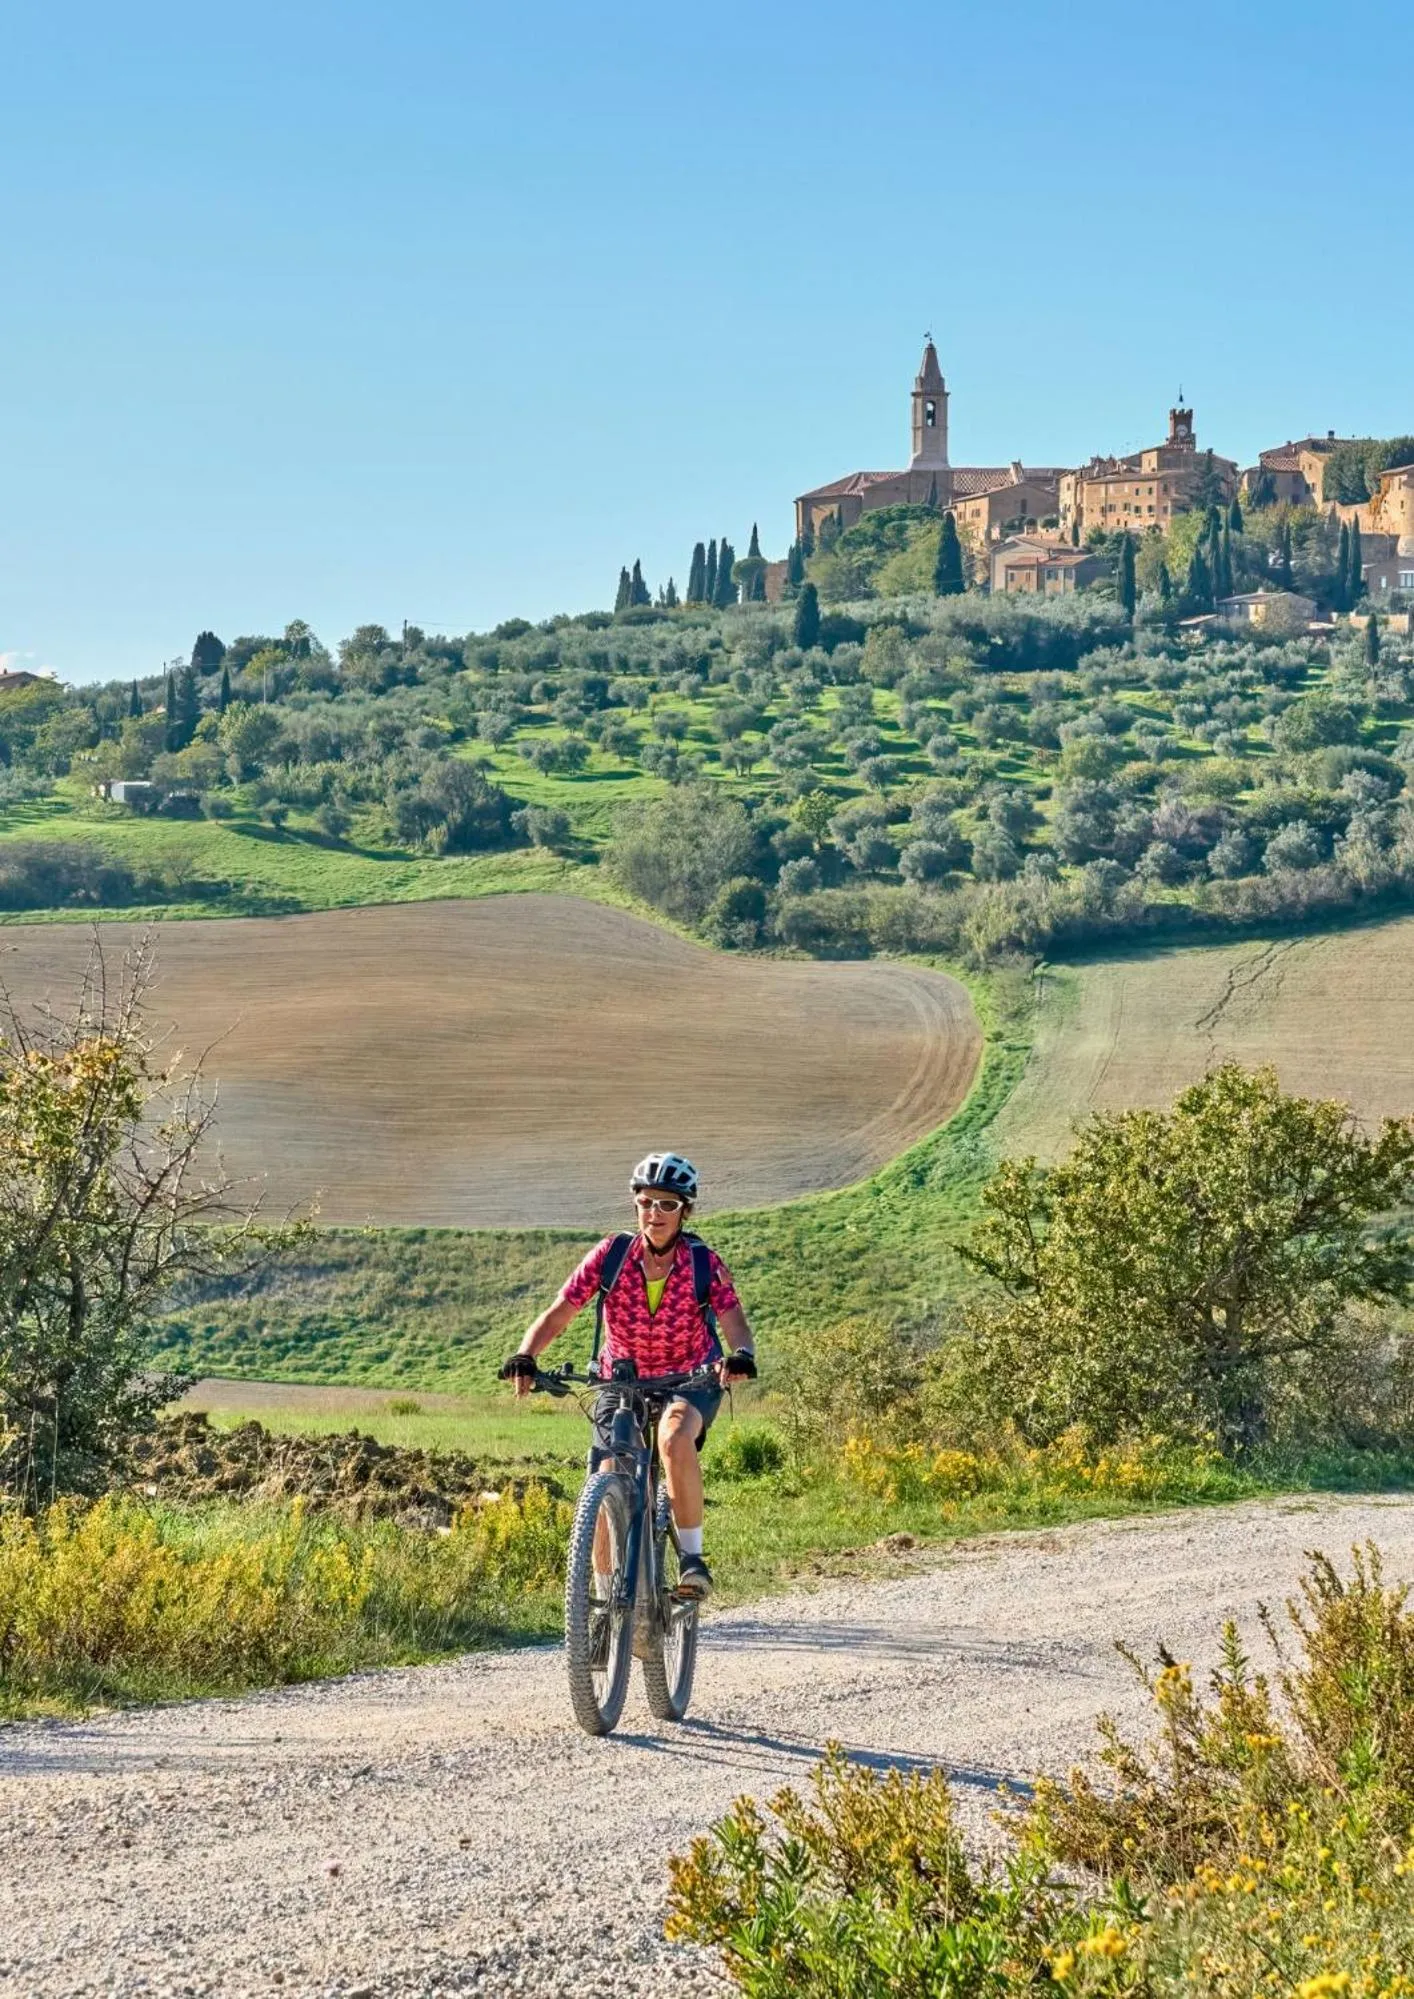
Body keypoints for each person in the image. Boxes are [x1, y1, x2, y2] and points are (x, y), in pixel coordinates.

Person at [500, 1151, 756, 1599]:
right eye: (646, 1202)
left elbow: (731, 1316)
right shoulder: (611, 1255)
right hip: (620, 1378)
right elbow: (561, 1311)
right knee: (605, 1472)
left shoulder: (702, 1263)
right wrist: (525, 1354)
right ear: (635, 1204)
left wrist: (742, 1354)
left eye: (667, 1205)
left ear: (685, 1210)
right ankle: (599, 1606)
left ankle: (692, 1561)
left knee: (674, 1438)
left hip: (690, 1378)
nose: (654, 1214)